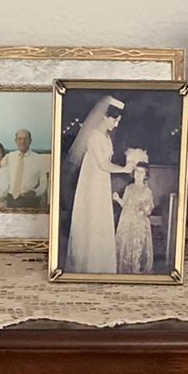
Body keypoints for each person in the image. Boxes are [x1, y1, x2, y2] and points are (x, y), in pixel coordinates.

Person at [61, 94, 123, 273]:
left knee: (100, 220)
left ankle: (101, 265)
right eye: (115, 120)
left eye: (118, 121)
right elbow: (103, 165)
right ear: (105, 116)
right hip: (93, 184)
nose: (116, 124)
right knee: (92, 220)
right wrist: (125, 169)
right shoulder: (95, 136)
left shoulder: (106, 137)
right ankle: (88, 265)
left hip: (101, 183)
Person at [114, 162, 156, 274]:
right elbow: (125, 204)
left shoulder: (146, 191)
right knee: (126, 245)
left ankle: (137, 271)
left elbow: (149, 208)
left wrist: (144, 209)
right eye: (136, 171)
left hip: (139, 223)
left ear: (146, 175)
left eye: (141, 172)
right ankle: (124, 270)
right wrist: (117, 199)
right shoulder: (128, 188)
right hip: (126, 221)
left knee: (137, 245)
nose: (138, 174)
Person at [3, 128, 48, 208]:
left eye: (25, 139)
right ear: (15, 141)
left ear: (30, 141)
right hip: (10, 200)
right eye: (20, 139)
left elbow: (44, 184)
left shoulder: (39, 159)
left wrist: (35, 193)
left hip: (30, 201)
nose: (22, 142)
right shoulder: (9, 157)